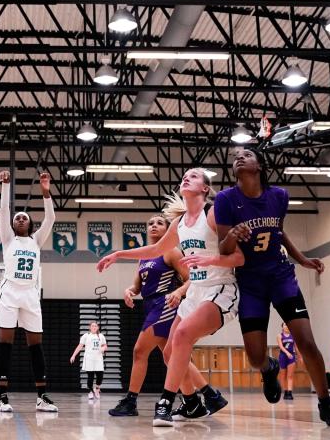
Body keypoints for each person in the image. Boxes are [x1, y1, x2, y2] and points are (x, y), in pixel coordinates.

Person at [97, 168, 243, 426]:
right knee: (169, 353)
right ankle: (193, 403)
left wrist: (209, 259)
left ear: (205, 188)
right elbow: (154, 248)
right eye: (185, 175)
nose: (187, 177)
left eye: (195, 176)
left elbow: (240, 258)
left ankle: (164, 402)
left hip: (219, 288)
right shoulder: (179, 223)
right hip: (195, 294)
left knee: (182, 336)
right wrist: (117, 254)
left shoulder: (213, 213)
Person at [216, 148, 330, 426]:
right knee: (254, 357)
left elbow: (278, 232)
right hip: (250, 283)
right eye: (235, 155)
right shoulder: (226, 199)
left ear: (260, 165)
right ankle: (268, 368)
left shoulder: (279, 196)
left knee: (307, 342)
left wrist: (302, 259)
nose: (239, 157)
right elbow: (223, 248)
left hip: (280, 277)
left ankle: (326, 403)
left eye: (247, 154)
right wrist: (231, 235)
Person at [108, 214, 226, 418]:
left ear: (168, 229)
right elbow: (137, 286)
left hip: (166, 304)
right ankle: (201, 400)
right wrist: (129, 291)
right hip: (150, 304)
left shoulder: (172, 252)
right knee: (172, 357)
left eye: (159, 223)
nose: (154, 225)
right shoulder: (144, 257)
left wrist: (179, 292)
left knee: (139, 351)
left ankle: (130, 401)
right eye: (150, 223)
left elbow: (193, 279)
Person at [0, 170, 58, 413]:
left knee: (35, 345)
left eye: (24, 217)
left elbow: (50, 219)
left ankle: (41, 396)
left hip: (31, 294)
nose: (20, 219)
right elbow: (3, 211)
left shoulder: (36, 240)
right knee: (5, 345)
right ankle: (2, 397)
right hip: (9, 293)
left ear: (30, 224)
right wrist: (6, 186)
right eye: (17, 217)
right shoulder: (8, 239)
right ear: (11, 224)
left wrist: (45, 191)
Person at [70, 321, 107, 400]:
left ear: (98, 327)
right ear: (90, 327)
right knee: (90, 376)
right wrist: (73, 355)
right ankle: (90, 391)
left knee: (100, 375)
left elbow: (105, 345)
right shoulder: (86, 336)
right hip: (89, 358)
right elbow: (80, 346)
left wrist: (103, 348)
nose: (94, 327)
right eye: (92, 326)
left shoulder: (101, 336)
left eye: (95, 326)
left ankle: (97, 389)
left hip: (98, 359)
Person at [277, 323, 296, 400]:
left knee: (290, 376)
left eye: (288, 324)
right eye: (285, 325)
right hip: (283, 356)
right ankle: (285, 392)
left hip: (291, 356)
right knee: (283, 376)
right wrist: (287, 353)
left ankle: (290, 393)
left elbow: (296, 347)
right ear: (282, 327)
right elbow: (281, 346)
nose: (287, 326)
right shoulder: (280, 336)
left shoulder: (293, 335)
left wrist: (300, 356)